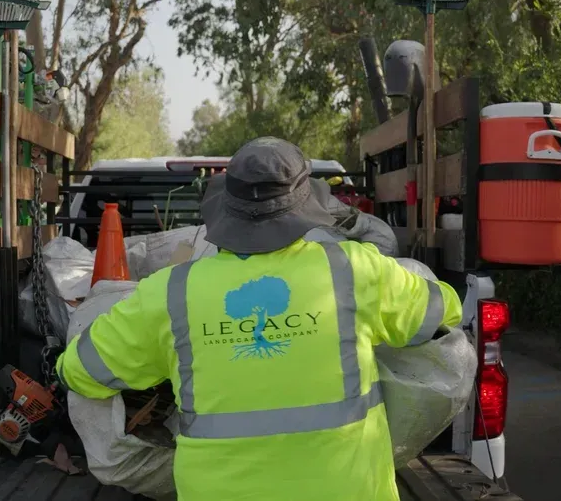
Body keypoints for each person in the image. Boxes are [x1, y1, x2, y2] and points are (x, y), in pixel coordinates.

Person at [56, 137, 463, 501]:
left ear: (224, 209)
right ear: (309, 209)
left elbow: (78, 370)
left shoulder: (172, 293)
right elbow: (442, 311)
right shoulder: (354, 271)